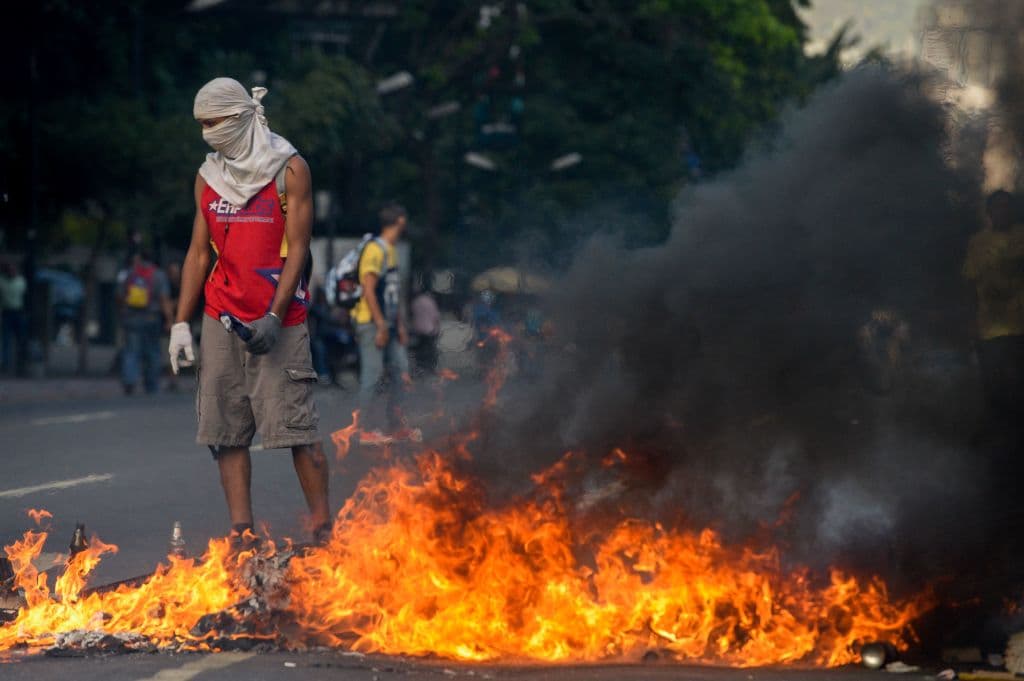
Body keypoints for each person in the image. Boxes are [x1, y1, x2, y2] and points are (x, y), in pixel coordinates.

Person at [168, 77, 330, 547]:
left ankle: (323, 529)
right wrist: (180, 324)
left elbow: (298, 249)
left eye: (215, 123)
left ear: (241, 117)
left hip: (280, 319)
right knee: (227, 432)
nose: (208, 134)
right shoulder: (208, 176)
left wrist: (275, 317)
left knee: (297, 430)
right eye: (202, 126)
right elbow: (199, 253)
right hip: (221, 316)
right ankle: (242, 533)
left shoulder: (288, 169)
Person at [353, 204, 416, 444]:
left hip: (389, 324)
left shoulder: (391, 250)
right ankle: (362, 430)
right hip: (371, 323)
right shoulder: (375, 250)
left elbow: (392, 293)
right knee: (373, 374)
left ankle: (396, 425)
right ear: (400, 221)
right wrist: (380, 325)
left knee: (401, 370)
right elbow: (368, 290)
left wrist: (399, 326)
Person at [963, 189, 1024, 423]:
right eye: (997, 207)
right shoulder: (977, 242)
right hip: (989, 328)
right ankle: (997, 431)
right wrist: (971, 321)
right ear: (989, 212)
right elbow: (970, 282)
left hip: (1020, 326)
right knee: (994, 385)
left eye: (1007, 206)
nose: (1002, 211)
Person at [118, 250, 173, 395]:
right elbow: (164, 299)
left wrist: (123, 313)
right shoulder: (159, 275)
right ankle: (151, 384)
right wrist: (169, 320)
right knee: (153, 351)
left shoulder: (130, 273)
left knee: (131, 351)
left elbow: (120, 296)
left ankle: (130, 380)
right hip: (152, 318)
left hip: (131, 318)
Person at [0, 261, 27, 375]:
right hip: (7, 312)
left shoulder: (21, 281)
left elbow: (25, 296)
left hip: (18, 312)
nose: (12, 272)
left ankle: (21, 364)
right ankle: (6, 364)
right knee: (6, 340)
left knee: (21, 339)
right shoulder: (2, 281)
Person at [410, 280, 441, 375]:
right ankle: (430, 368)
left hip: (417, 330)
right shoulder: (430, 302)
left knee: (420, 351)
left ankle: (420, 368)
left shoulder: (415, 302)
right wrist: (437, 329)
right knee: (431, 350)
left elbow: (412, 315)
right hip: (430, 330)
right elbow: (436, 317)